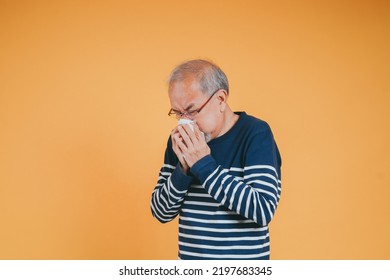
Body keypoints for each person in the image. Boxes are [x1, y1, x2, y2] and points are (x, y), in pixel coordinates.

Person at [150, 59, 282, 260]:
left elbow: (262, 210)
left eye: (192, 111)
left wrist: (203, 163)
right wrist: (183, 169)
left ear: (220, 99)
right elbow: (161, 212)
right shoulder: (179, 141)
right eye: (177, 113)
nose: (185, 121)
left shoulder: (255, 134)